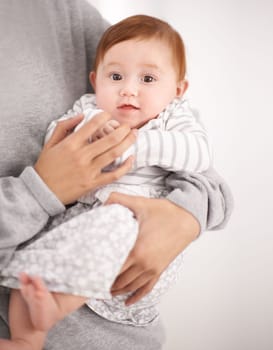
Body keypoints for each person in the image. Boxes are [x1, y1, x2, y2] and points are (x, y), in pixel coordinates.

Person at [0, 1, 233, 350]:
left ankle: (51, 309)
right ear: (96, 80)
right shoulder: (89, 108)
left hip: (133, 227)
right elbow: (56, 139)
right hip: (77, 219)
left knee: (114, 226)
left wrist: (133, 145)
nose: (128, 89)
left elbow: (200, 155)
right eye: (115, 77)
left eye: (148, 79)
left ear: (178, 90)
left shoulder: (171, 117)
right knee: (31, 270)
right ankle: (27, 336)